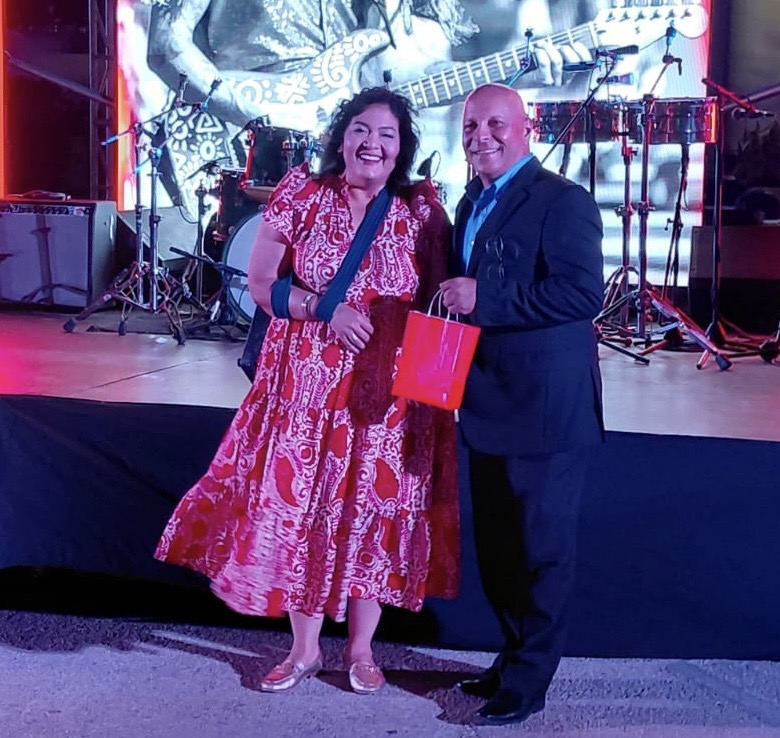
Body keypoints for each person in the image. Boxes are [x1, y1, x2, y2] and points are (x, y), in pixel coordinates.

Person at [155, 86, 459, 694]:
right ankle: (304, 650)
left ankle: (362, 651)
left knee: (372, 513)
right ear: (341, 137)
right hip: (305, 390)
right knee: (302, 511)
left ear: (402, 148)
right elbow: (260, 285)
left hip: (385, 398)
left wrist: (433, 387)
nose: (372, 143)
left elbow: (440, 299)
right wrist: (324, 308)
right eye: (361, 130)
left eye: (387, 135)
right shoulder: (302, 192)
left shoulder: (422, 210)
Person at [439, 82, 605, 724]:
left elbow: (581, 295)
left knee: (542, 551)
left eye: (495, 124)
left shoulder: (562, 199)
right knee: (501, 547)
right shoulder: (469, 201)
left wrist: (485, 300)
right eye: (470, 125)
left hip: (546, 408)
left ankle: (531, 680)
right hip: (487, 401)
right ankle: (512, 659)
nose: (481, 135)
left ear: (526, 127)